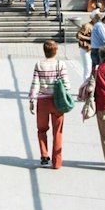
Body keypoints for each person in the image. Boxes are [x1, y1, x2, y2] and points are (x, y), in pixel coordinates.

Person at [28, 40, 72, 169]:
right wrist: (67, 97)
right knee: (57, 131)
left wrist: (32, 100)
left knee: (42, 130)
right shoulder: (61, 64)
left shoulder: (39, 64)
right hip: (57, 101)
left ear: (44, 51)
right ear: (55, 51)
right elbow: (66, 84)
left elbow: (35, 83)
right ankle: (57, 162)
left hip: (42, 102)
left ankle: (44, 155)